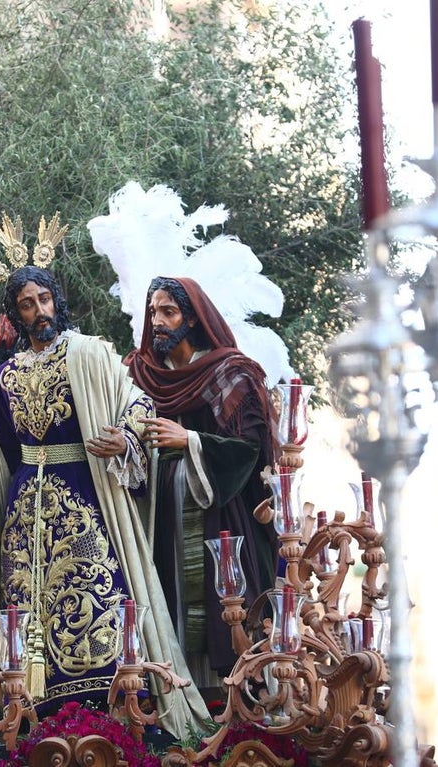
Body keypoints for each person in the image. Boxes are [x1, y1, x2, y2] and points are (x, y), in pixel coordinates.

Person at [0, 265, 209, 736]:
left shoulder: (91, 354)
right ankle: (42, 727)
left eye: (44, 299)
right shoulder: (4, 378)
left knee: (99, 599)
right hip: (24, 522)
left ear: (56, 300)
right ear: (15, 316)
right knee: (30, 620)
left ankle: (116, 722)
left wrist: (126, 440)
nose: (39, 311)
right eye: (27, 304)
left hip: (85, 500)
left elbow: (137, 403)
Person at [125, 276, 279, 687]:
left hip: (220, 514)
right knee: (168, 607)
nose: (157, 321)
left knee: (226, 609)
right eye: (153, 312)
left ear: (192, 319)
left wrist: (190, 440)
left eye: (168, 312)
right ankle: (182, 708)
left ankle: (236, 708)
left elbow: (250, 447)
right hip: (161, 518)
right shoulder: (140, 374)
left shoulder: (230, 373)